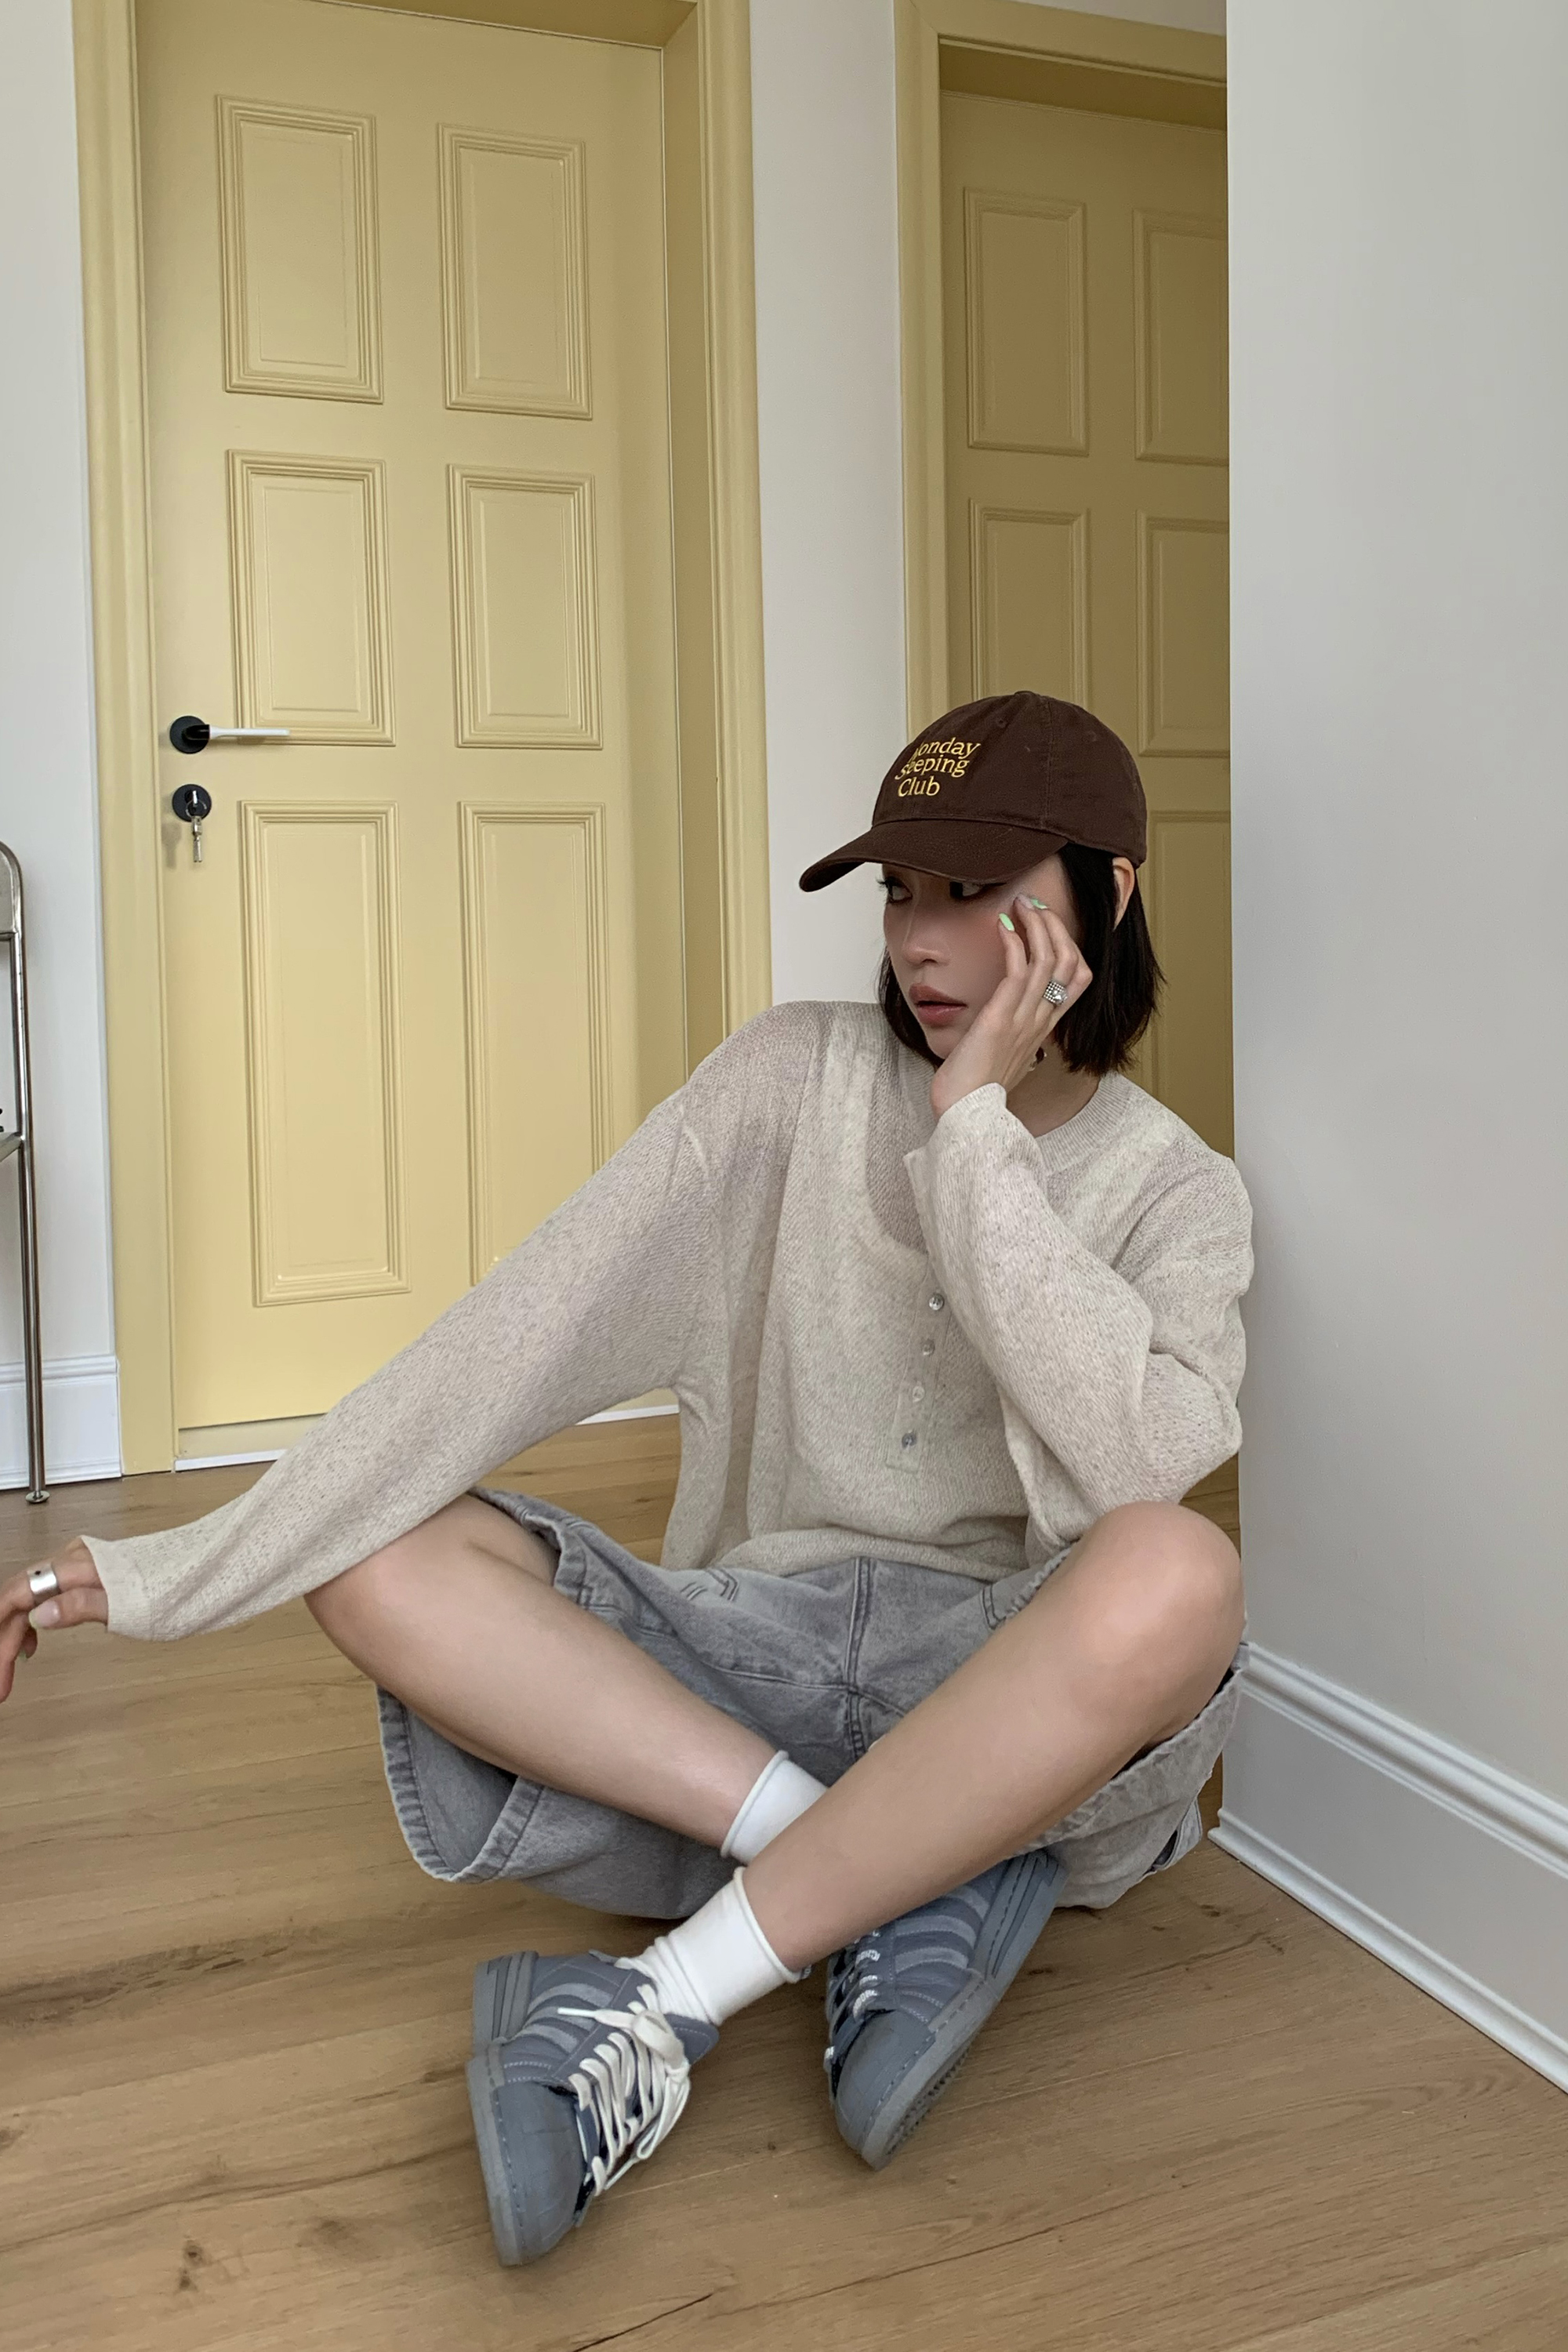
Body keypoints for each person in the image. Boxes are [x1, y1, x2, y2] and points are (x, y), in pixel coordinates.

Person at [1, 689, 1253, 2267]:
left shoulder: (1179, 1192)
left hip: (1000, 1694)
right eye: (900, 892)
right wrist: (139, 1570)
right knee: (380, 1555)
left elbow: (1134, 1469)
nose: (922, 945)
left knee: (1181, 1571)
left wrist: (975, 1139)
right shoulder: (786, 1083)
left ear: (1105, 898)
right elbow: (506, 1342)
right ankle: (881, 1880)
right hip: (742, 1679)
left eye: (974, 893)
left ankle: (668, 1994)